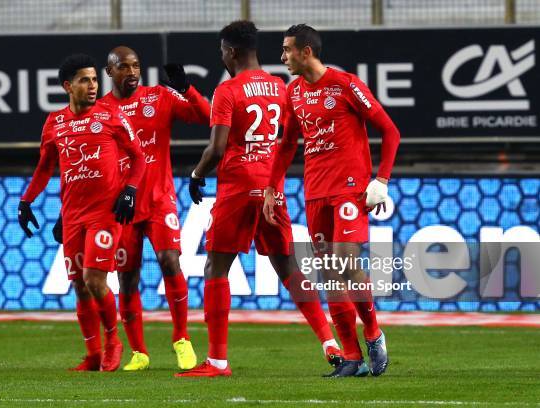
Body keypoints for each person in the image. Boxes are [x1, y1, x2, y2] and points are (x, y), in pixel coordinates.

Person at [177, 20, 343, 378]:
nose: (221, 57)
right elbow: (287, 140)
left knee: (216, 269)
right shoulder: (280, 85)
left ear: (232, 52)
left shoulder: (228, 90)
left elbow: (216, 147)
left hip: (237, 188)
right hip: (271, 188)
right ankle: (329, 341)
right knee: (288, 269)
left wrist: (196, 174)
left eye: (222, 51)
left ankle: (218, 361)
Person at [264, 24, 400, 377]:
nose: (283, 57)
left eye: (287, 50)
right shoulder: (292, 93)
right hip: (315, 192)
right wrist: (270, 188)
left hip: (349, 188)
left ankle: (373, 333)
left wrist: (381, 179)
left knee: (345, 259)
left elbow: (390, 130)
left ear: (306, 51)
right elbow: (286, 145)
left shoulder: (345, 84)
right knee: (329, 272)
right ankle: (352, 358)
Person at [18, 53, 145, 372]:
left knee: (94, 278)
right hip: (73, 215)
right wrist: (26, 200)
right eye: (84, 80)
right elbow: (45, 166)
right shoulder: (54, 122)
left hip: (105, 214)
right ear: (67, 86)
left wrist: (129, 189)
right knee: (78, 283)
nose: (92, 86)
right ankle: (92, 354)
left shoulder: (111, 116)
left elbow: (139, 157)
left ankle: (113, 341)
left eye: (94, 79)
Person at [100, 46, 210, 371]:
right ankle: (139, 352)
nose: (132, 72)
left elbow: (206, 117)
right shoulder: (100, 110)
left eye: (136, 66)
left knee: (170, 261)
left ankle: (182, 338)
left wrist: (187, 89)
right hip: (121, 207)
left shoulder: (158, 97)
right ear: (110, 72)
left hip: (160, 199)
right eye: (123, 67)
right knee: (127, 278)